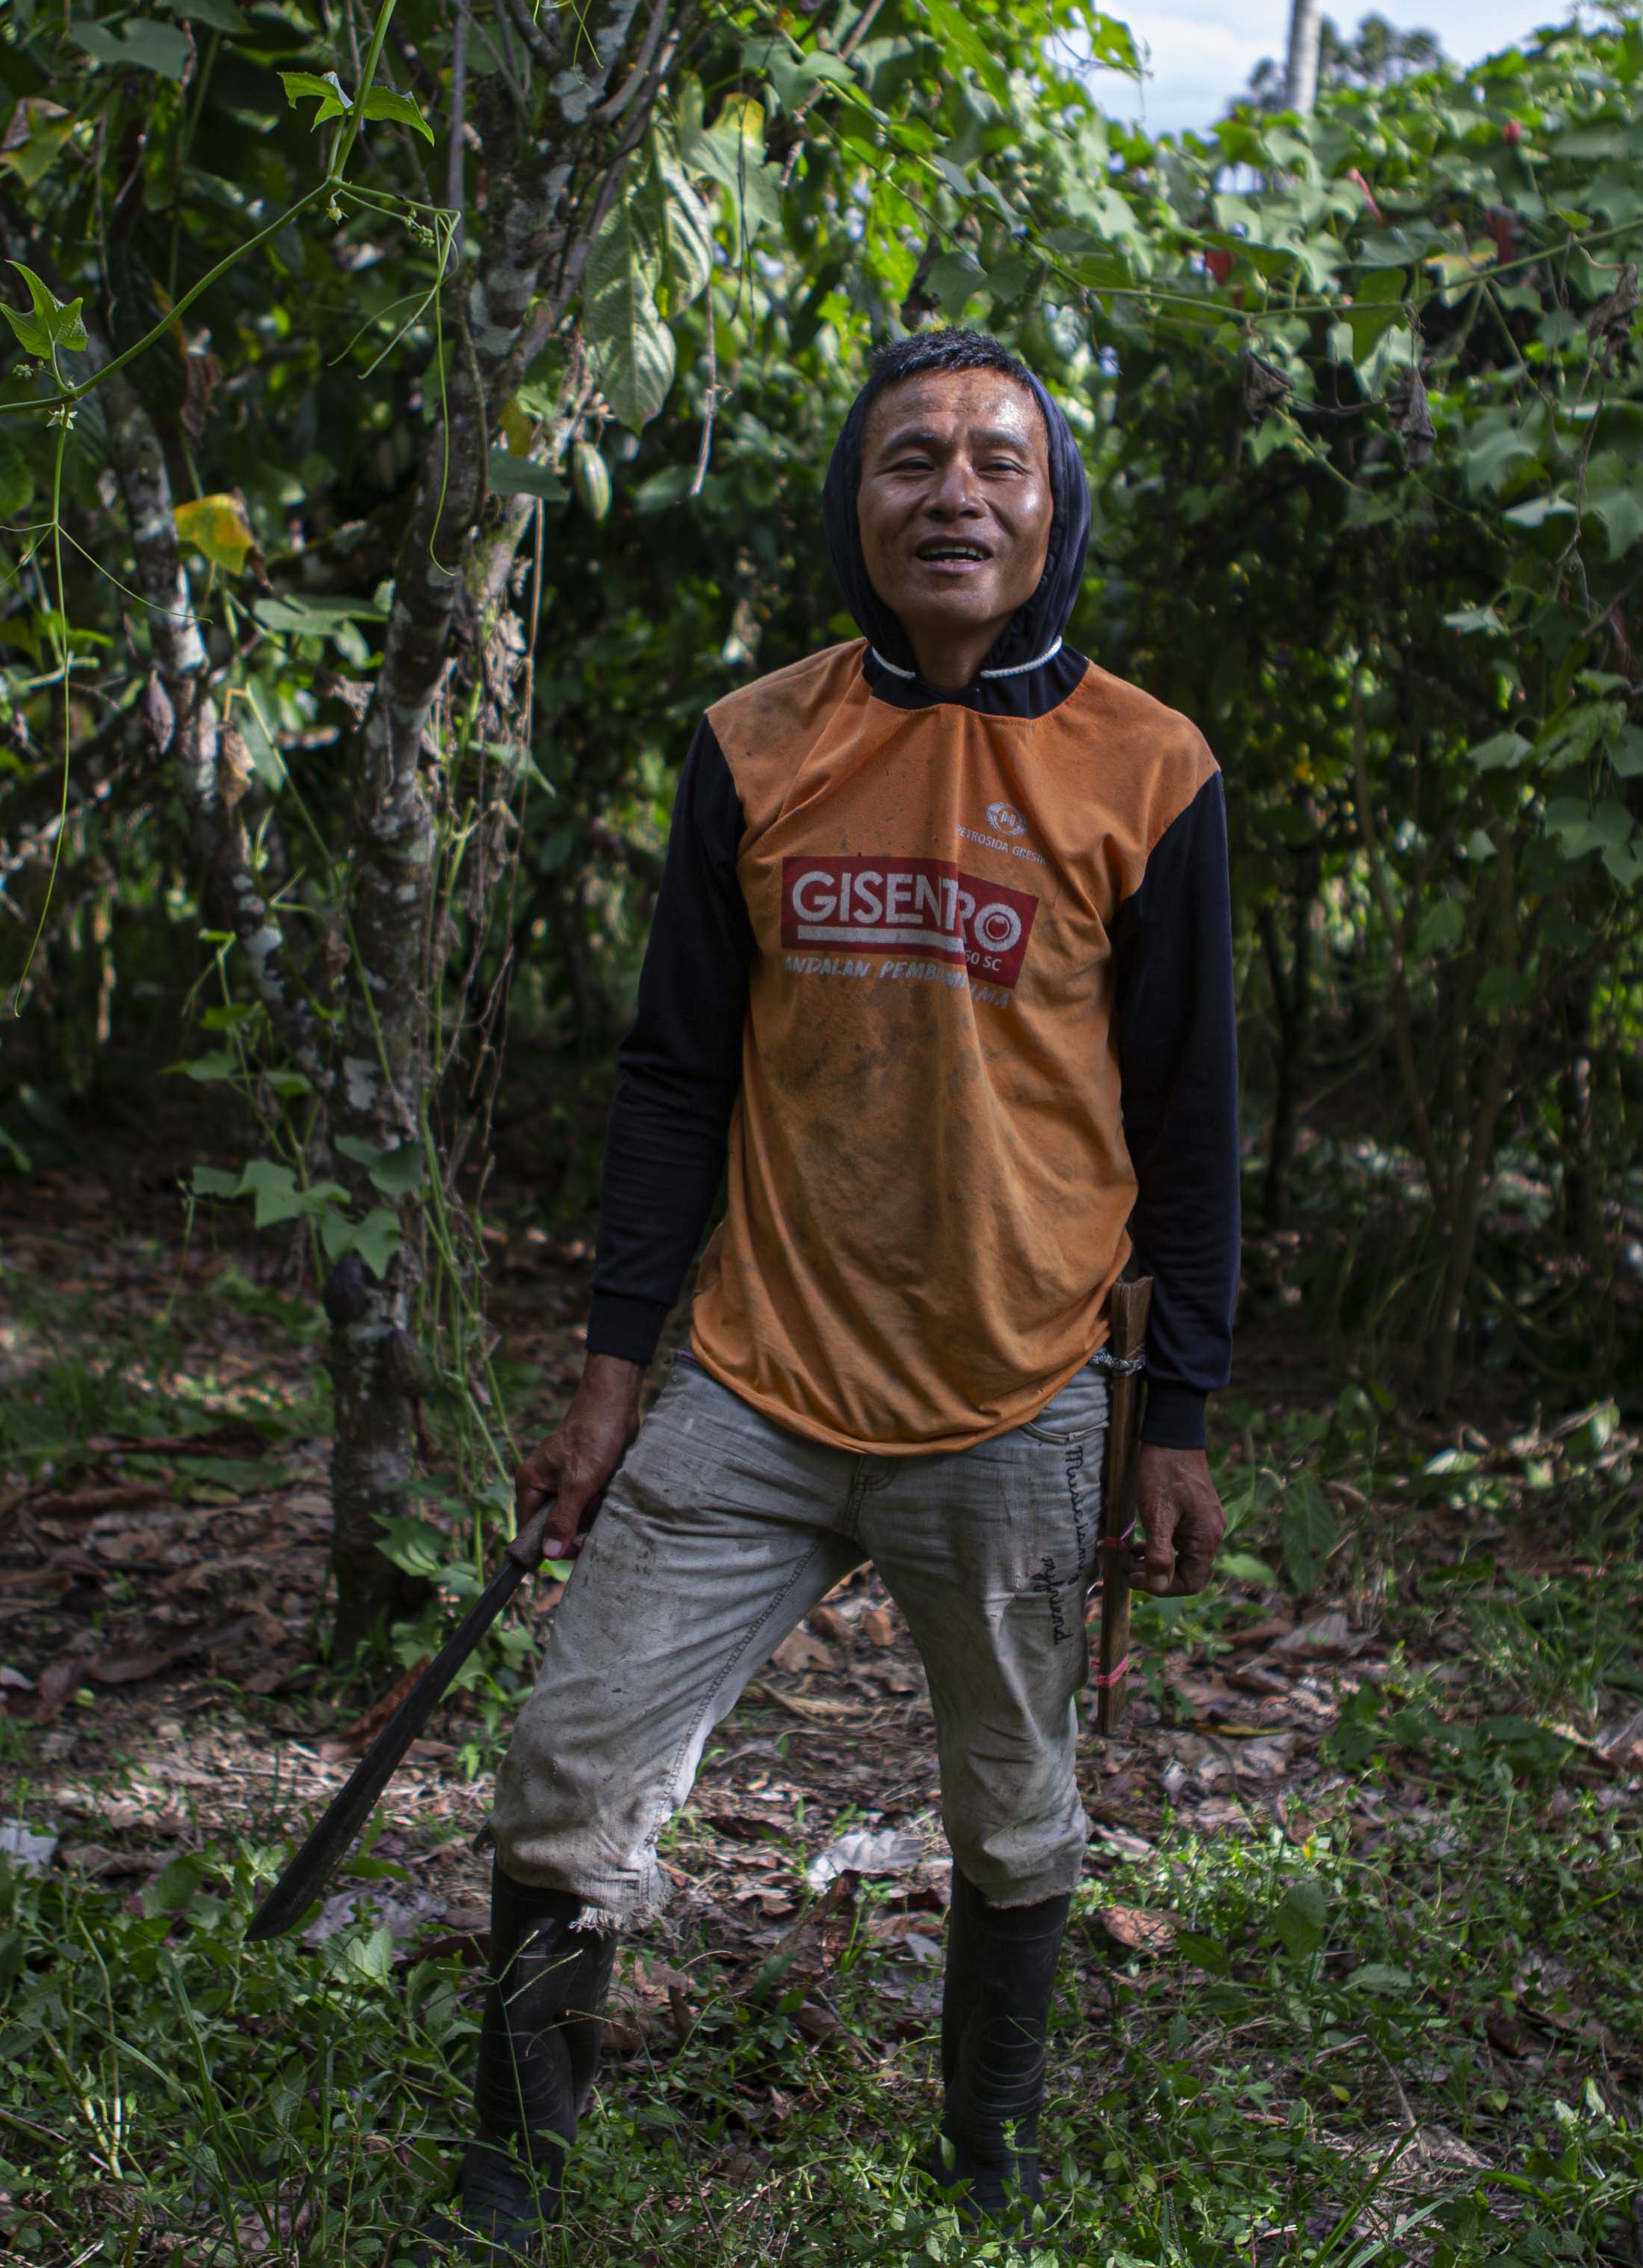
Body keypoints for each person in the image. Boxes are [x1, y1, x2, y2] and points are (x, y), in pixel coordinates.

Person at [414, 330, 1242, 2255]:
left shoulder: (1150, 766)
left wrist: (1175, 1415)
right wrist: (612, 1384)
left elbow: (1193, 1123)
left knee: (1017, 1806)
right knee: (567, 1766)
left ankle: (990, 2160)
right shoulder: (756, 742)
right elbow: (671, 1081)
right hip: (756, 1379)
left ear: (1055, 508)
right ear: (853, 505)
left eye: (997, 462)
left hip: (1021, 1386)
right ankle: (513, 2172)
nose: (954, 490)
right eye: (911, 460)